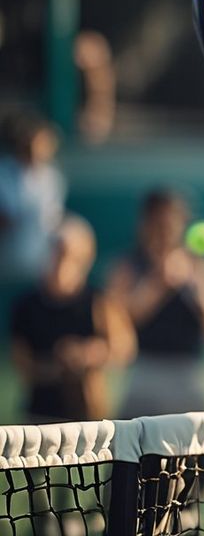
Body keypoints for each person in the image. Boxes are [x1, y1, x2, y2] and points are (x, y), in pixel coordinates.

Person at [107, 188, 204, 417]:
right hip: (145, 371)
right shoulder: (129, 264)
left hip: (188, 373)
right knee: (129, 451)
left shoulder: (200, 266)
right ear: (146, 223)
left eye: (174, 220)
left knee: (198, 450)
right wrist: (158, 283)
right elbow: (117, 320)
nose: (166, 228)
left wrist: (199, 291)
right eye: (160, 220)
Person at [10, 215, 135, 423]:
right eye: (55, 252)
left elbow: (124, 349)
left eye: (69, 255)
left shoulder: (99, 301)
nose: (60, 261)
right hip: (39, 416)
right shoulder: (26, 305)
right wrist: (58, 365)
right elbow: (22, 363)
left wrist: (88, 354)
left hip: (90, 417)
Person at [0, 112, 66, 293]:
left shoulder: (53, 177)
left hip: (40, 269)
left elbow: (54, 220)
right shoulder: (3, 173)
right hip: (7, 267)